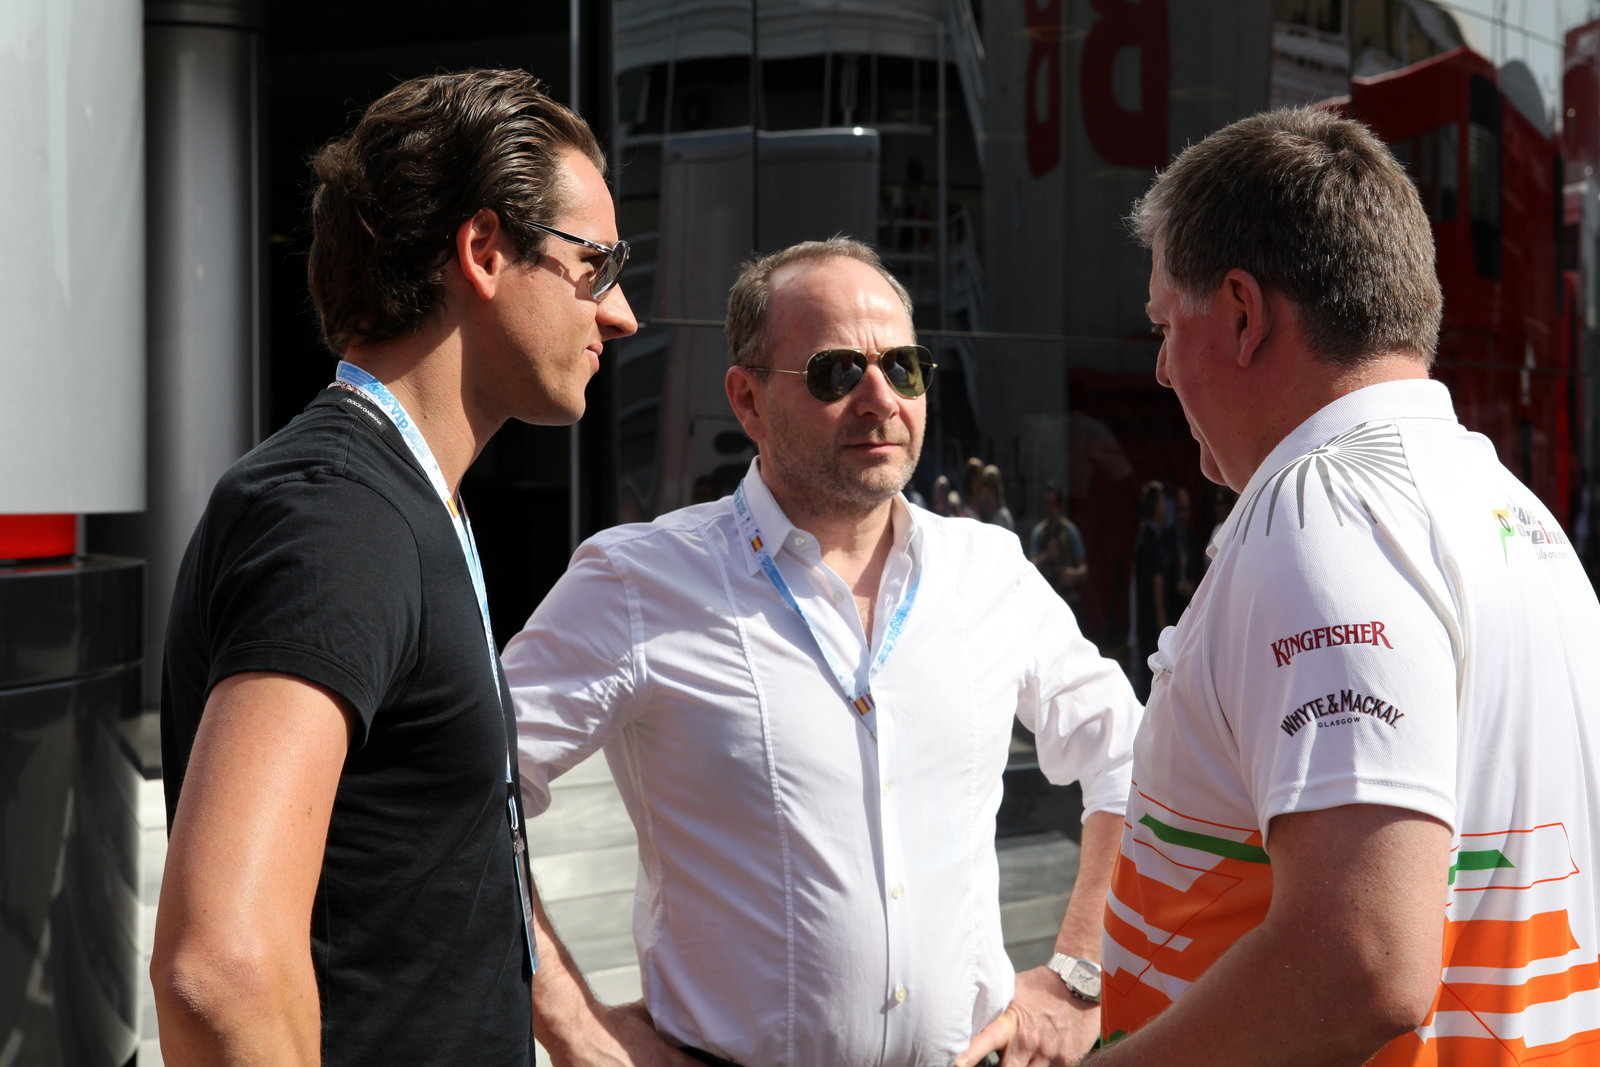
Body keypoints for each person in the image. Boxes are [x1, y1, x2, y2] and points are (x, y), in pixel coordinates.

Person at [502, 237, 1143, 1066]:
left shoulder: (988, 570)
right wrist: (576, 1028)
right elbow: (473, 789)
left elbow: (1132, 754)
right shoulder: (637, 580)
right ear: (748, 400)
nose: (880, 398)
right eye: (837, 371)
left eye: (904, 367)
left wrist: (1081, 974)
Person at [151, 69, 638, 1065]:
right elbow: (220, 966)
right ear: (486, 250)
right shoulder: (340, 514)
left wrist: (581, 1035)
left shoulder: (402, 501)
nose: (620, 311)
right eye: (597, 264)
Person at [1098, 106, 1600, 1063]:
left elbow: (1363, 960)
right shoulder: (1512, 511)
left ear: (1242, 314)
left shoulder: (1322, 513)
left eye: (1167, 322)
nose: (1160, 367)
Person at [1029, 480, 1088, 608]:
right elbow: (1031, 566)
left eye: (1053, 504)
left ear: (1059, 505)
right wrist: (1046, 556)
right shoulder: (1039, 533)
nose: (1050, 509)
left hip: (1067, 599)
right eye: (1047, 504)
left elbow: (1084, 570)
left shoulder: (1070, 531)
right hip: (1045, 598)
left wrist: (1072, 574)